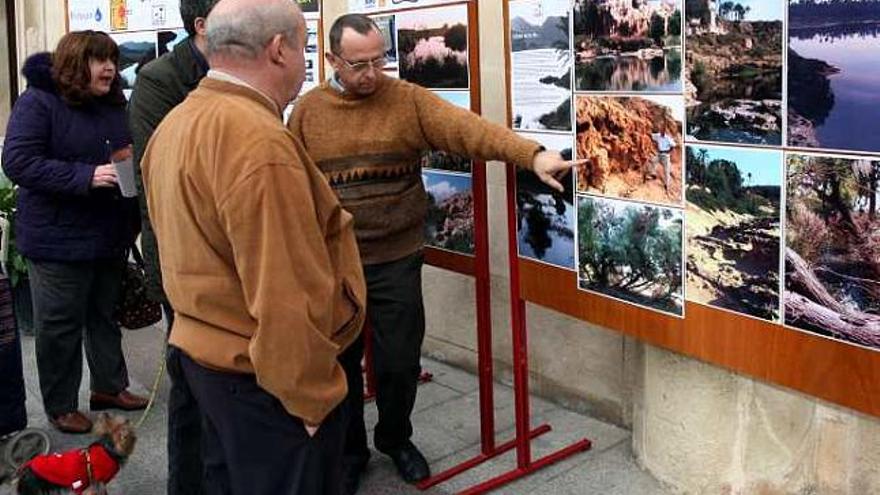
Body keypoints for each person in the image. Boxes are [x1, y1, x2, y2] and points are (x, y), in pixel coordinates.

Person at [288, 14, 580, 492]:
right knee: (338, 363)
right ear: (332, 60)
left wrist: (532, 154)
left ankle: (395, 438)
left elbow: (468, 129)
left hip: (397, 255)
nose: (371, 74)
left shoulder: (406, 100)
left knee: (399, 361)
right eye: (358, 64)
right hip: (334, 263)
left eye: (378, 61)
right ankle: (350, 451)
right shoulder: (307, 114)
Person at [141, 1, 366, 493]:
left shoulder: (176, 124)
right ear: (278, 49)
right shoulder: (259, 144)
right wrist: (311, 400)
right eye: (306, 48)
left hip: (208, 364)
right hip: (263, 385)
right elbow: (285, 290)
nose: (306, 65)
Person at [1, 31, 147, 434]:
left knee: (104, 316)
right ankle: (61, 405)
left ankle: (109, 388)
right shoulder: (38, 101)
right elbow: (18, 161)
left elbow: (122, 155)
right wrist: (85, 176)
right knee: (59, 326)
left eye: (113, 60)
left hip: (107, 233)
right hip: (57, 240)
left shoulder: (114, 103)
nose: (110, 68)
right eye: (99, 60)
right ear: (74, 63)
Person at [128, 1, 217, 492]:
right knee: (189, 378)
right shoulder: (160, 79)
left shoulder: (232, 68)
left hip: (224, 255)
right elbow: (159, 177)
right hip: (181, 252)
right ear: (202, 24)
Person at [649, 124, 676, 192]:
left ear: (665, 131)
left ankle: (667, 184)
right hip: (659, 153)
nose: (662, 132)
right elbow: (651, 135)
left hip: (665, 155)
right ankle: (653, 174)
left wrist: (668, 151)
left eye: (663, 131)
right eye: (661, 130)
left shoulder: (668, 138)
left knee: (666, 170)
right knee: (653, 160)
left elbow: (673, 145)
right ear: (660, 130)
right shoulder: (658, 135)